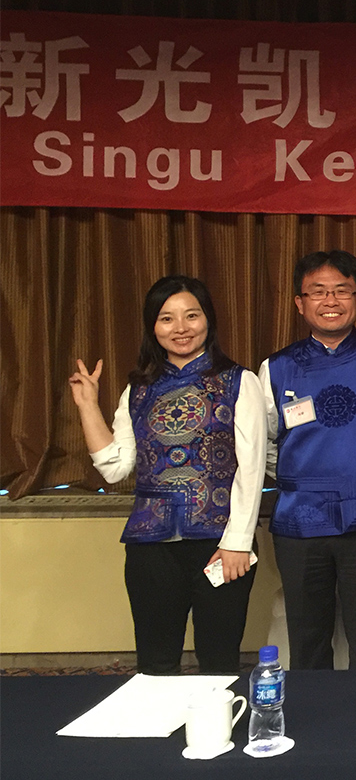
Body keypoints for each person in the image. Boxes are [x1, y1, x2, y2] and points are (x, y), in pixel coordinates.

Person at [68, 276, 266, 674]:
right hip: (151, 546)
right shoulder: (139, 389)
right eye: (167, 318)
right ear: (153, 327)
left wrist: (238, 542)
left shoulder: (238, 381)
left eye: (191, 316)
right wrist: (88, 405)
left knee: (219, 660)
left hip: (219, 542)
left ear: (208, 320)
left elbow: (252, 466)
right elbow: (115, 467)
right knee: (155, 663)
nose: (180, 328)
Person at [260, 250, 356, 670]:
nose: (330, 301)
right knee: (307, 641)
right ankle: (312, 710)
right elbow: (263, 444)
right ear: (299, 303)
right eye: (318, 292)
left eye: (342, 291)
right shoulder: (277, 368)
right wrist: (298, 477)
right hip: (300, 524)